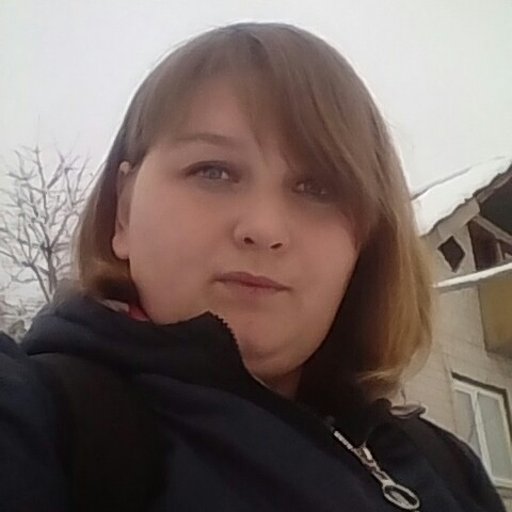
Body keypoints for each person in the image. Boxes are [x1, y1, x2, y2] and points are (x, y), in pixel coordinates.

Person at [0, 22, 506, 512]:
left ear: (367, 243)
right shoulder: (42, 424)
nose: (263, 228)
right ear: (124, 211)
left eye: (317, 188)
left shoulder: (444, 468)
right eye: (213, 171)